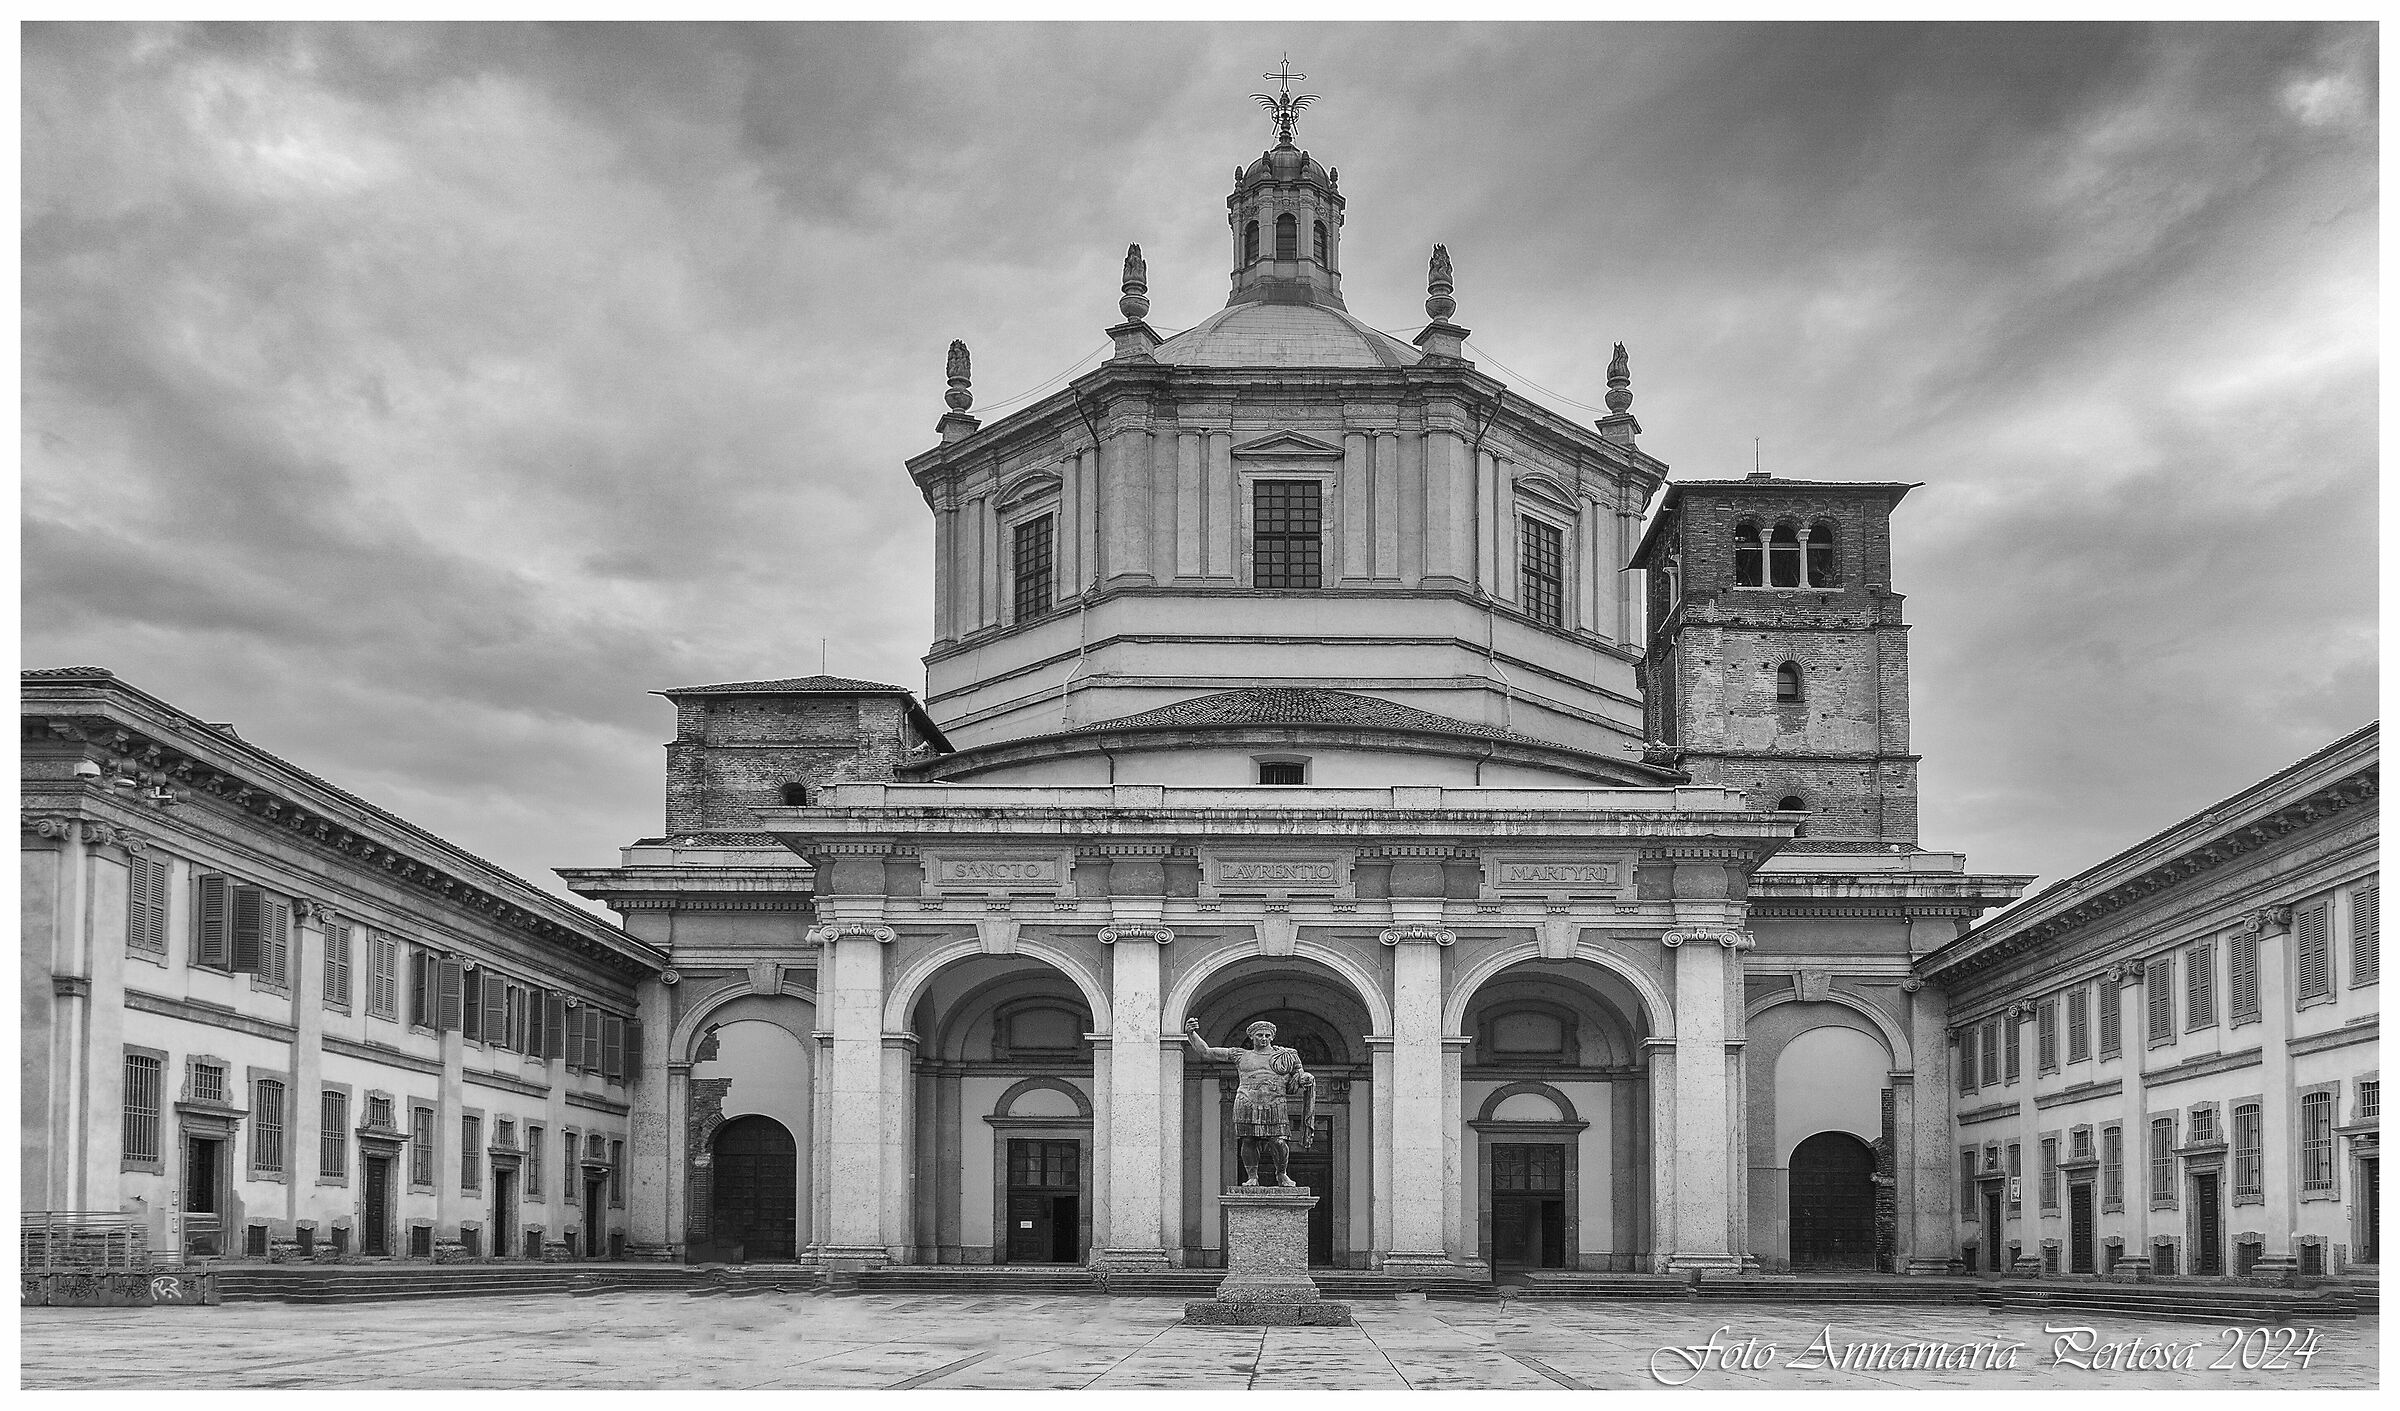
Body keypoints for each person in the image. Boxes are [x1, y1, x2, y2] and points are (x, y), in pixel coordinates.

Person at [1184, 1017, 1315, 1186]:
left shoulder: (1286, 1056)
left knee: (1278, 1141)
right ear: (1252, 1037)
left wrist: (1306, 1078)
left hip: (1275, 1102)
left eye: (1267, 1035)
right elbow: (1207, 1052)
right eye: (1259, 1035)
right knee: (1248, 1140)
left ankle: (1281, 1174)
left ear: (1272, 1037)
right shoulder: (1240, 1055)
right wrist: (1191, 1033)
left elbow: (1299, 1074)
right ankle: (1252, 1176)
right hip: (1246, 1102)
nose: (1264, 1038)